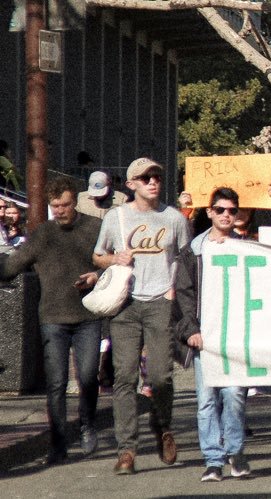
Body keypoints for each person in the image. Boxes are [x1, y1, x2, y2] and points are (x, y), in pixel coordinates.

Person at [92, 158, 192, 475]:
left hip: (161, 302)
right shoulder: (116, 217)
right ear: (132, 183)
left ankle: (161, 425)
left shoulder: (174, 218)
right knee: (124, 377)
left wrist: (175, 292)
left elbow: (187, 259)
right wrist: (112, 258)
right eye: (145, 177)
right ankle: (127, 451)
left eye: (157, 176)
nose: (153, 181)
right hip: (126, 303)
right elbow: (97, 254)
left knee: (161, 375)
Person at [0, 178, 103, 464]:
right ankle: (58, 444)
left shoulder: (94, 228)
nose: (60, 211)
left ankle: (87, 423)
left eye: (65, 205)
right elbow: (12, 266)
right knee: (56, 384)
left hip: (88, 315)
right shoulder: (43, 234)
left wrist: (98, 274)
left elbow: (111, 263)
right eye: (55, 206)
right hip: (53, 318)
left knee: (87, 376)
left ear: (75, 203)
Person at [174, 187, 252, 482]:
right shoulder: (193, 251)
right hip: (204, 337)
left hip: (234, 337)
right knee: (206, 400)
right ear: (209, 213)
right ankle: (213, 460)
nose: (226, 215)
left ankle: (235, 452)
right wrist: (191, 331)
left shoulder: (247, 248)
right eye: (220, 210)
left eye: (232, 211)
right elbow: (184, 294)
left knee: (235, 396)